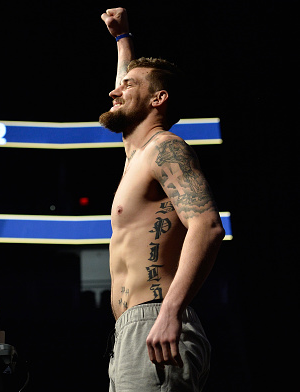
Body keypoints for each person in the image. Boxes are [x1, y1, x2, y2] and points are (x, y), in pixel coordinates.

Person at [99, 7, 225, 391]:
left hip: (156, 320)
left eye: (128, 88)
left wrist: (171, 311)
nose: (114, 92)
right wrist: (123, 39)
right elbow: (126, 88)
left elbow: (207, 226)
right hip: (129, 332)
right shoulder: (136, 155)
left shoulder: (165, 148)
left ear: (159, 99)